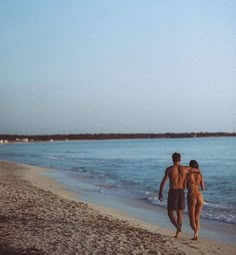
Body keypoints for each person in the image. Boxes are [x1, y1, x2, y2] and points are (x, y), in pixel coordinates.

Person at [158, 152, 200, 238]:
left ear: (172, 159)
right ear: (180, 159)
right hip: (181, 191)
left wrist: (160, 192)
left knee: (170, 212)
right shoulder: (185, 169)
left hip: (173, 191)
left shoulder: (169, 169)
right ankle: (178, 233)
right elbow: (198, 170)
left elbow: (164, 181)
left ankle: (178, 228)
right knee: (179, 212)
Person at [186, 160, 205, 240]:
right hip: (200, 196)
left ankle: (196, 233)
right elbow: (203, 188)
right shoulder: (200, 175)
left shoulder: (188, 175)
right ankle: (196, 234)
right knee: (197, 217)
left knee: (191, 218)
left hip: (191, 195)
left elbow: (185, 186)